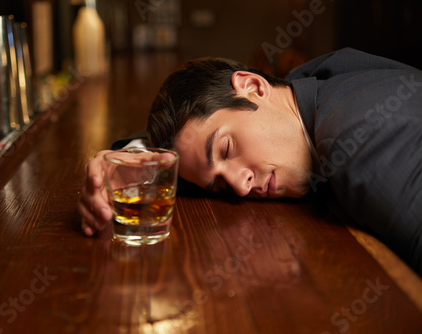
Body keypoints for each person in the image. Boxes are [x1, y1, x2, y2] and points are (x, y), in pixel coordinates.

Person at [77, 48, 422, 275]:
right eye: (220, 184)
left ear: (254, 86)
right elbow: (197, 149)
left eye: (226, 150)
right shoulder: (306, 88)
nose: (240, 188)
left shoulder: (358, 143)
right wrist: (129, 161)